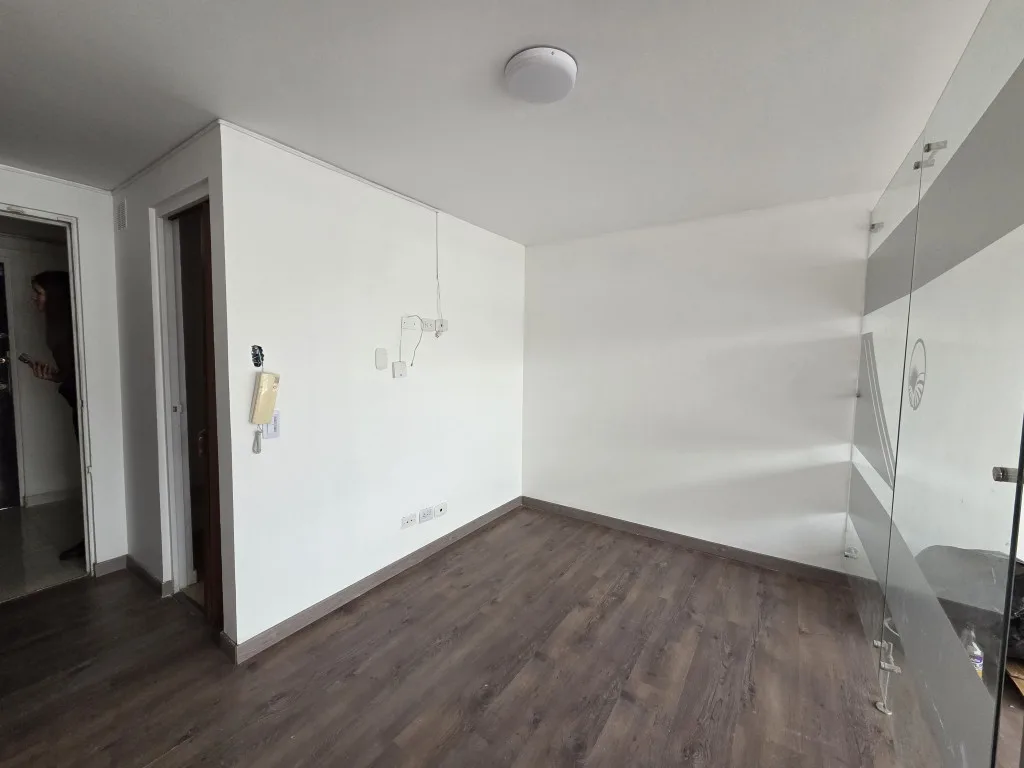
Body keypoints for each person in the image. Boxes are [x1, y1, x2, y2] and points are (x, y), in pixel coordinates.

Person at [29, 271, 83, 560]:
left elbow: (82, 374)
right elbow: (73, 373)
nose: (34, 299)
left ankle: (95, 540)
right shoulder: (60, 329)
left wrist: (61, 377)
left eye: (39, 293)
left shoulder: (69, 331)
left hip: (85, 406)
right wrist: (53, 376)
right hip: (79, 404)